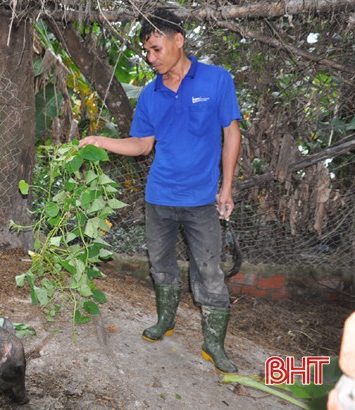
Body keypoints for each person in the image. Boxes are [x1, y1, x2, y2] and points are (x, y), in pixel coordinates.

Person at [79, 8, 241, 374]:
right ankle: (165, 320)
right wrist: (98, 140)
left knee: (210, 272)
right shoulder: (150, 94)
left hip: (202, 201)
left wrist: (226, 188)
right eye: (146, 52)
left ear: (178, 40)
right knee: (161, 266)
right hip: (159, 199)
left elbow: (232, 134)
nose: (150, 58)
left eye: (155, 49)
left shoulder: (216, 80)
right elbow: (141, 146)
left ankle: (214, 344)